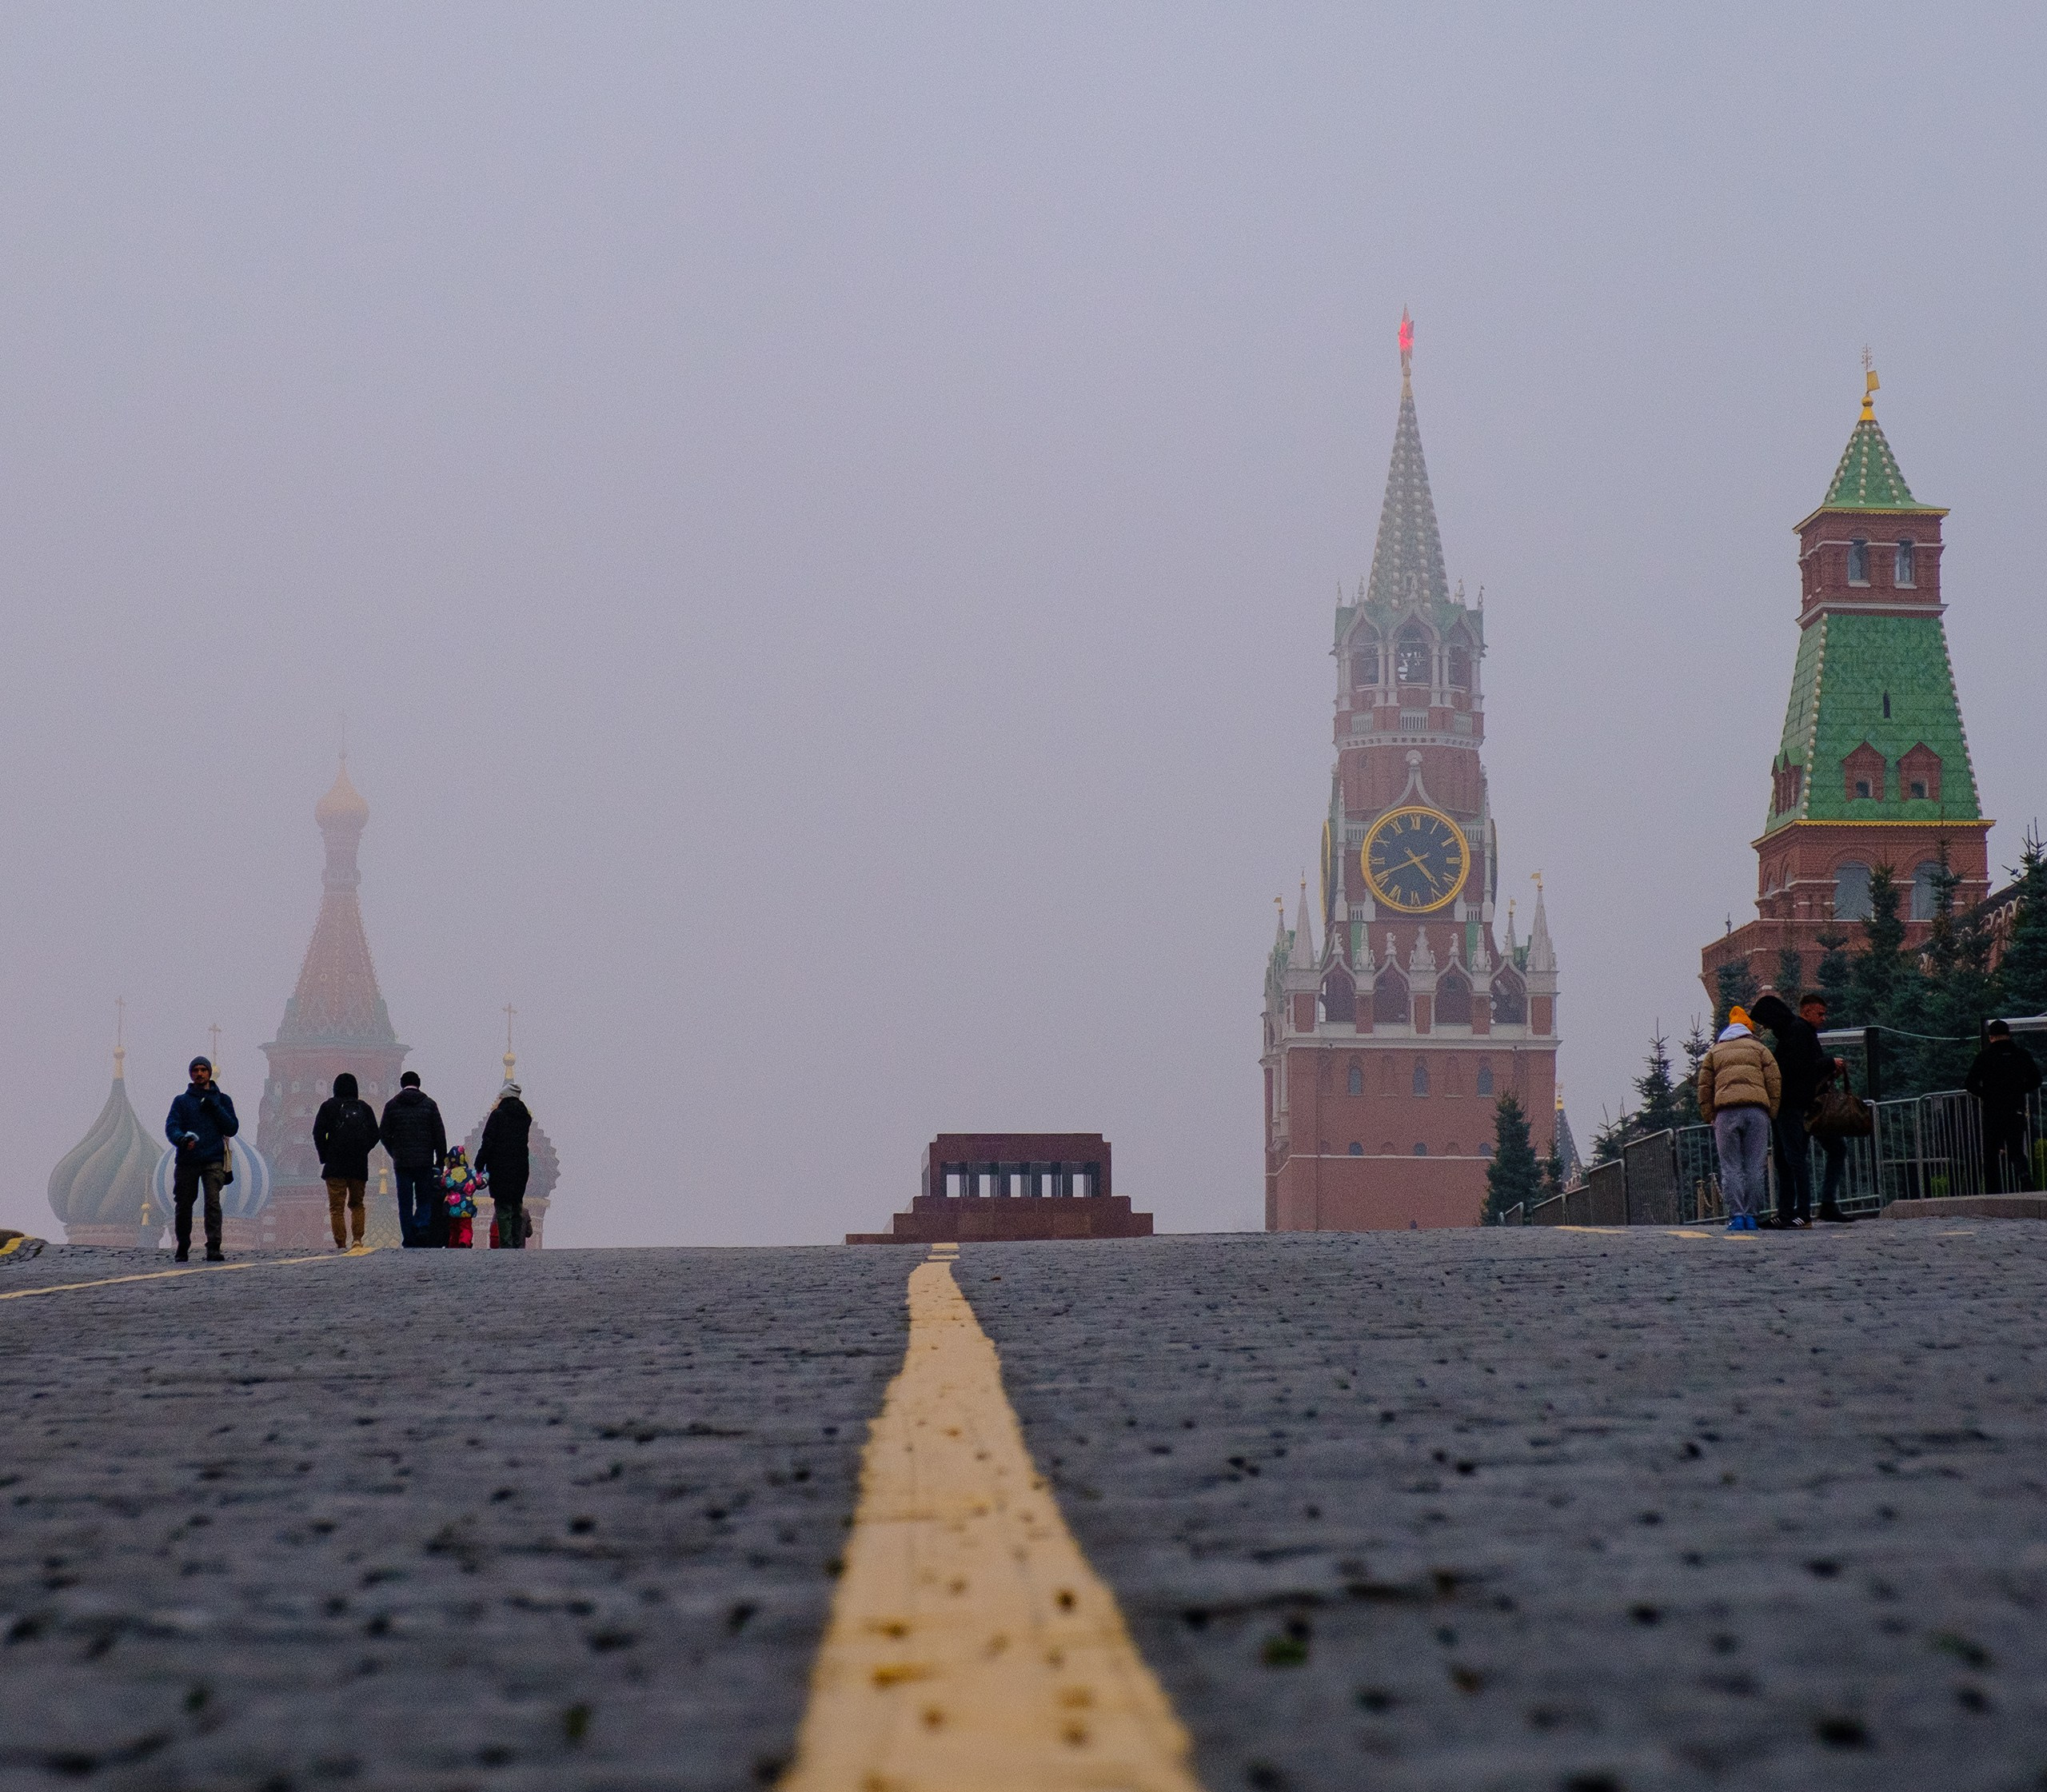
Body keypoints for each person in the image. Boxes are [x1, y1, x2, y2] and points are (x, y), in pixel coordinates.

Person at [1752, 990, 1851, 1227]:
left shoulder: (1796, 1032)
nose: (1823, 1018)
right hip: (1796, 1105)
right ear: (1807, 1012)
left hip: (1793, 1105)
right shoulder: (1799, 1032)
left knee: (1792, 1159)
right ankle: (1798, 1211)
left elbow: (1798, 1068)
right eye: (1821, 1014)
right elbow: (1802, 1068)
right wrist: (1829, 1064)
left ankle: (1797, 1212)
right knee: (1793, 1159)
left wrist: (1827, 1065)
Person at [1698, 1006, 1780, 1233]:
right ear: (1748, 1029)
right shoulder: (1760, 1050)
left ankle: (1737, 1217)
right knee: (1755, 1166)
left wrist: (1709, 1115)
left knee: (1731, 1167)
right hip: (1756, 1111)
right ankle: (1752, 1216)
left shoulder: (1715, 1052)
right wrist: (1771, 1111)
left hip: (1726, 1113)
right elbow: (1774, 1081)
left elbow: (1704, 1087)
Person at [164, 1056, 240, 1263]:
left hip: (212, 1160)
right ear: (191, 1074)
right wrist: (182, 1139)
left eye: (203, 1070)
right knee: (184, 1205)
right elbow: (172, 1126)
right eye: (195, 1070)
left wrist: (214, 1107)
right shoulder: (181, 1102)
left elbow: (231, 1128)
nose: (199, 1074)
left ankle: (214, 1247)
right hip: (187, 1161)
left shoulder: (222, 1101)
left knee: (213, 1203)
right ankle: (183, 1246)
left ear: (209, 1073)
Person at [1966, 1021, 2042, 1193]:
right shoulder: (2021, 1055)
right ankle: (2024, 1178)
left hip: (1993, 1111)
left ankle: (1993, 1193)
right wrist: (2019, 1090)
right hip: (2015, 1108)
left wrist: (1987, 1094)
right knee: (2016, 1149)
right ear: (2009, 1035)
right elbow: (2036, 1079)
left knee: (1991, 1153)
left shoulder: (1984, 1057)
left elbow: (1970, 1083)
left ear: (1991, 1037)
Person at [311, 1072, 381, 1251]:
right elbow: (375, 1134)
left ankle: (341, 1243)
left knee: (336, 1207)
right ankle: (357, 1239)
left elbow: (318, 1133)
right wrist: (363, 1149)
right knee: (357, 1204)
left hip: (335, 1166)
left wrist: (325, 1154)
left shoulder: (328, 1107)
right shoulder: (364, 1108)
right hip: (358, 1166)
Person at [380, 1070, 448, 1247]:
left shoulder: (392, 1105)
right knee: (424, 1198)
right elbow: (439, 1135)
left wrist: (394, 1152)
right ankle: (422, 1226)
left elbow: (384, 1134)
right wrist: (440, 1161)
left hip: (402, 1163)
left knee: (405, 1202)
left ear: (402, 1084)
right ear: (419, 1084)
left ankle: (409, 1237)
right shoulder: (430, 1105)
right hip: (424, 1162)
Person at [474, 1081, 533, 1249]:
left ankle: (506, 1244)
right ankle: (517, 1243)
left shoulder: (498, 1115)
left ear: (505, 1096)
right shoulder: (525, 1117)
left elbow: (488, 1141)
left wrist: (479, 1164)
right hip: (520, 1167)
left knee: (503, 1207)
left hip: (500, 1167)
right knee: (516, 1204)